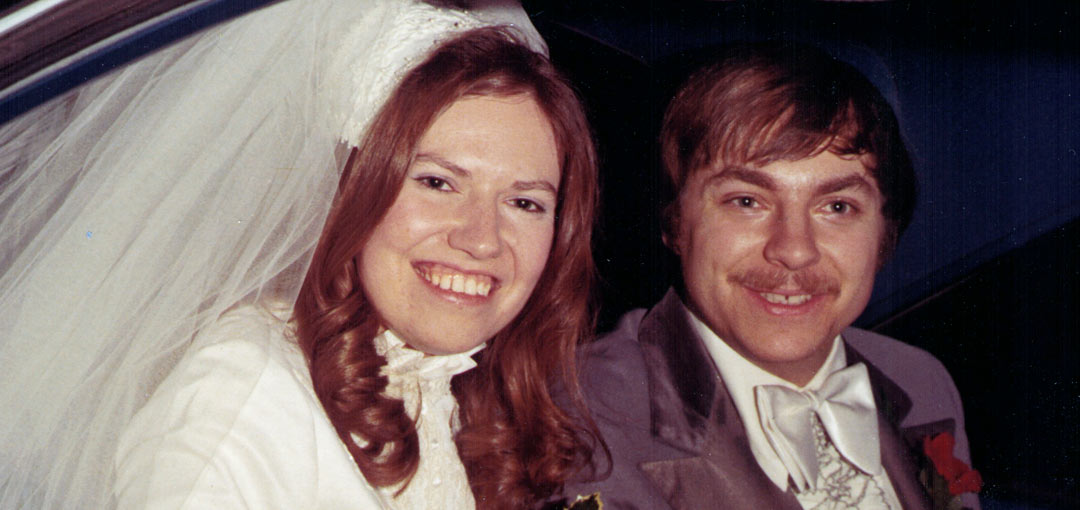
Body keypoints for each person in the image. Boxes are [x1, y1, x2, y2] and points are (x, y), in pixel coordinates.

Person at [0, 1, 598, 509]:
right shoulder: (238, 400)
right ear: (349, 190)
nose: (482, 239)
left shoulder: (452, 393)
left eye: (524, 202)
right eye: (437, 182)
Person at [554, 42, 981, 510]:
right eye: (746, 201)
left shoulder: (922, 380)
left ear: (884, 232)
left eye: (837, 207)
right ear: (673, 221)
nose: (795, 250)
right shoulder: (575, 415)